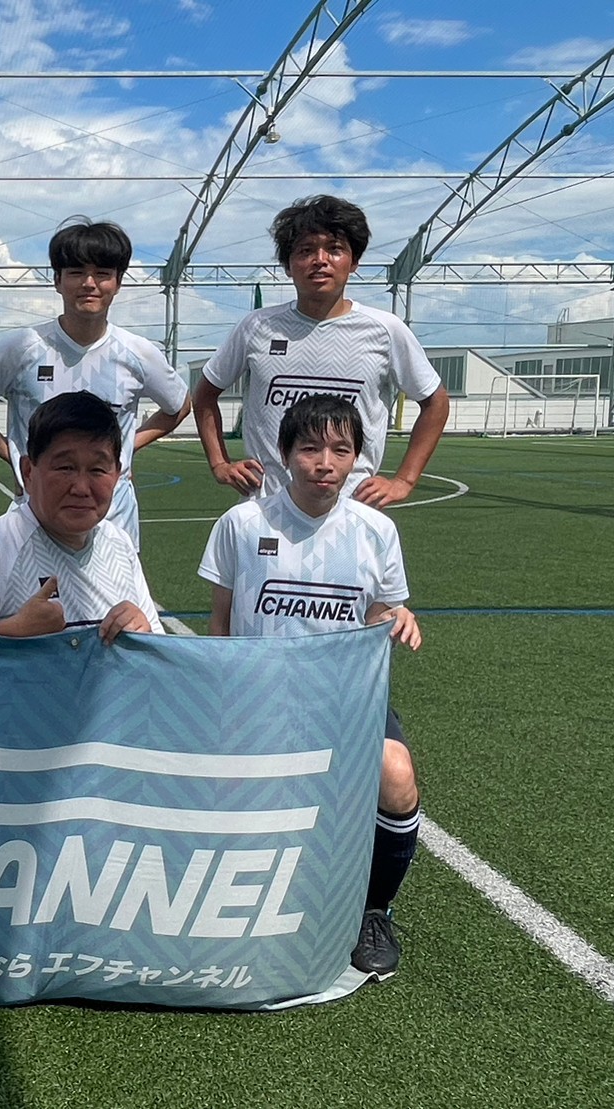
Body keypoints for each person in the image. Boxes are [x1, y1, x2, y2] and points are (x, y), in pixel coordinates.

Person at [197, 394, 422, 977]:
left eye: (341, 450)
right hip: (258, 697)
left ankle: (374, 911)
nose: (325, 463)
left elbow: (380, 616)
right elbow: (220, 622)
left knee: (397, 776)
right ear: (284, 452)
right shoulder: (243, 524)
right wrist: (224, 696)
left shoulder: (376, 531)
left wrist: (398, 617)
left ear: (357, 459)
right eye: (310, 448)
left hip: (345, 697)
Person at [193, 195, 450, 508]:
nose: (320, 260)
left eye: (335, 249)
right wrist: (220, 464)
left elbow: (435, 402)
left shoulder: (385, 330)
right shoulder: (257, 326)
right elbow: (204, 395)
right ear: (288, 265)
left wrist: (404, 480)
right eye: (305, 250)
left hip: (352, 508)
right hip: (267, 507)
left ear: (353, 262)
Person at [0, 219, 191, 549]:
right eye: (76, 272)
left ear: (118, 282)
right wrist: (15, 456)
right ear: (57, 280)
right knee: (34, 585)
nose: (89, 283)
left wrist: (126, 448)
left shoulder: (138, 352)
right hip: (35, 515)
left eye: (102, 273)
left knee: (115, 586)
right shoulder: (22, 347)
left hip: (114, 521)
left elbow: (179, 406)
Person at [0, 390, 163, 642]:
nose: (81, 488)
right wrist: (12, 631)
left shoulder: (120, 545)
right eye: (65, 467)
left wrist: (143, 632)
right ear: (28, 472)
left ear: (117, 475)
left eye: (97, 470)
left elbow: (160, 650)